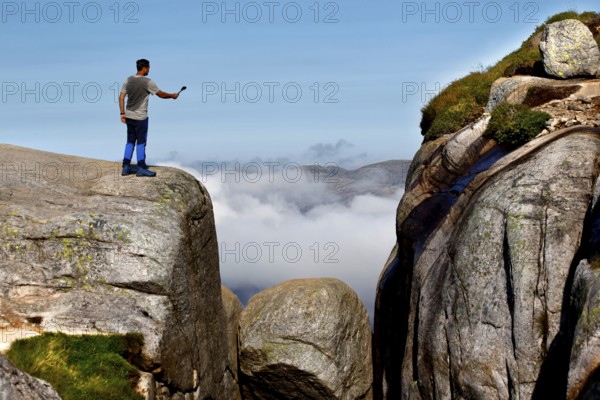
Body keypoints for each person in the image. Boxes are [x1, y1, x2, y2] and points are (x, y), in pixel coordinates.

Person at [119, 59, 179, 177]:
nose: (149, 70)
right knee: (141, 142)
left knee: (130, 141)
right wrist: (173, 95)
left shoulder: (128, 80)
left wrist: (122, 113)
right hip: (141, 118)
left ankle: (126, 167)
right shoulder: (148, 82)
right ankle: (141, 168)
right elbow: (161, 94)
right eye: (149, 67)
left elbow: (121, 97)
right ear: (145, 68)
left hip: (129, 116)